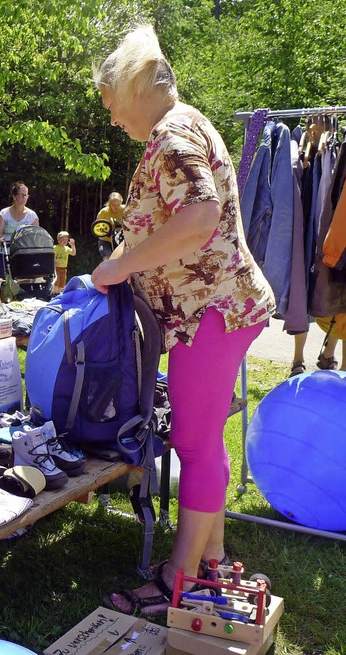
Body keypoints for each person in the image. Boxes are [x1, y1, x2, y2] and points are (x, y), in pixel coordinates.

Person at [91, 25, 275, 616]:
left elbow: (198, 217)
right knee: (205, 446)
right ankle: (212, 562)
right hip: (220, 308)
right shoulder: (186, 124)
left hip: (210, 312)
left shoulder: (172, 135)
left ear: (136, 88)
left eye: (114, 106)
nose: (115, 120)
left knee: (195, 446)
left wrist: (118, 266)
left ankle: (182, 580)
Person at [0, 180, 39, 278]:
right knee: (2, 283)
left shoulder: (32, 216)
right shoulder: (4, 213)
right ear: (14, 196)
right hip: (4, 253)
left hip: (23, 255)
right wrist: (0, 238)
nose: (24, 198)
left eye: (26, 195)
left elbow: (36, 236)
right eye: (22, 195)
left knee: (22, 283)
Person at [95, 191, 124, 260]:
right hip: (106, 240)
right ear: (109, 204)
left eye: (118, 205)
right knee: (108, 259)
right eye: (113, 205)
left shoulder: (125, 209)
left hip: (120, 240)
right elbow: (97, 226)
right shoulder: (104, 212)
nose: (116, 207)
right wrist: (105, 232)